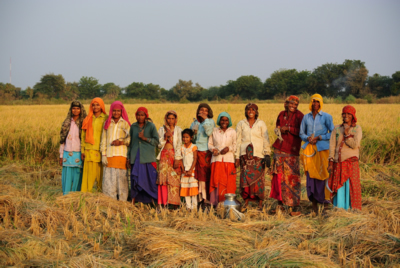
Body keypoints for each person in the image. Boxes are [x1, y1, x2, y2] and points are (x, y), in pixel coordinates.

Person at [300, 94, 334, 215]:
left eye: (318, 102)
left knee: (323, 174)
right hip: (309, 151)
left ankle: (325, 206)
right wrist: (307, 138)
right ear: (311, 103)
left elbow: (333, 133)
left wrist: (320, 137)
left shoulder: (326, 117)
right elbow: (301, 133)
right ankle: (314, 206)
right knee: (311, 176)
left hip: (322, 150)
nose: (315, 104)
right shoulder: (306, 117)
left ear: (321, 103)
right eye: (313, 101)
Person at [270, 96, 304, 216]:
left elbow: (302, 132)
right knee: (278, 178)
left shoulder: (300, 116)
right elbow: (277, 126)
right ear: (286, 104)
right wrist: (279, 129)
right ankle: (280, 204)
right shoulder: (281, 114)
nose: (293, 106)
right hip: (279, 149)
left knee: (292, 179)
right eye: (291, 103)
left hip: (291, 151)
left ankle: (294, 206)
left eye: (295, 104)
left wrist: (289, 129)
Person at [235, 103, 271, 210]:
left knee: (259, 180)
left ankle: (259, 203)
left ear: (256, 112)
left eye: (253, 109)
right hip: (245, 156)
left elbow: (265, 139)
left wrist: (267, 154)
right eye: (248, 109)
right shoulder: (241, 123)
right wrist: (236, 156)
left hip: (258, 155)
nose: (250, 111)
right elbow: (237, 140)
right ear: (245, 111)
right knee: (245, 179)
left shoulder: (261, 123)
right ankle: (246, 202)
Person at [327, 105, 362, 210]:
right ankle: (340, 208)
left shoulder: (357, 128)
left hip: (351, 162)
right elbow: (332, 145)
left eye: (348, 114)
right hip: (338, 162)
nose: (346, 116)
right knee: (338, 185)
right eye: (344, 113)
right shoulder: (337, 128)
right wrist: (331, 161)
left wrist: (347, 135)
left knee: (352, 185)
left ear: (353, 116)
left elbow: (355, 145)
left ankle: (352, 208)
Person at [127, 107, 159, 204]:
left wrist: (145, 138)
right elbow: (130, 143)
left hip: (147, 158)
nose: (140, 117)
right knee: (135, 180)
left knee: (150, 180)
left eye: (142, 115)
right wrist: (128, 158)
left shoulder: (151, 126)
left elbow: (156, 141)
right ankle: (135, 200)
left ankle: (153, 201)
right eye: (138, 115)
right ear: (136, 115)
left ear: (146, 116)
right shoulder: (133, 127)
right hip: (135, 157)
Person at [100, 101, 131, 201]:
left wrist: (121, 142)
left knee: (122, 182)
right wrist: (103, 154)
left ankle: (122, 203)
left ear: (122, 111)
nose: (116, 113)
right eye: (114, 111)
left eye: (118, 111)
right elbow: (103, 140)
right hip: (109, 156)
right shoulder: (107, 123)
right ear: (111, 111)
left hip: (121, 155)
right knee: (109, 182)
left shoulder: (125, 124)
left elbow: (130, 140)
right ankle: (110, 203)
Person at [208, 112, 237, 208]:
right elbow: (210, 144)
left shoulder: (232, 131)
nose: (224, 122)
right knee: (216, 181)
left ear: (229, 121)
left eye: (226, 120)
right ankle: (216, 204)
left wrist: (229, 148)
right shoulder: (214, 131)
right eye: (222, 120)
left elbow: (235, 144)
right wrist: (213, 150)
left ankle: (228, 204)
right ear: (219, 121)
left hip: (229, 160)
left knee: (229, 182)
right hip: (217, 160)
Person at [59, 101, 87, 195]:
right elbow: (62, 140)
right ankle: (66, 196)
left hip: (79, 153)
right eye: (73, 108)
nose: (75, 110)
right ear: (71, 110)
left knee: (77, 176)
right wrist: (61, 155)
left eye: (78, 108)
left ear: (81, 110)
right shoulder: (67, 122)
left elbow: (85, 139)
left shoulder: (84, 123)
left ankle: (76, 196)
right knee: (66, 176)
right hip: (67, 152)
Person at [190, 103, 215, 208]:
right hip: (196, 151)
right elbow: (192, 139)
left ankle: (207, 199)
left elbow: (209, 132)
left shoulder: (210, 121)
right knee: (197, 177)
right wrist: (194, 133)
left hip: (206, 152)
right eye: (201, 110)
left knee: (205, 176)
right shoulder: (195, 123)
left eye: (206, 110)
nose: (203, 112)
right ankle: (199, 198)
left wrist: (204, 121)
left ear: (208, 112)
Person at [156, 110, 183, 209]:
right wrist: (164, 138)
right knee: (163, 180)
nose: (171, 120)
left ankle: (174, 203)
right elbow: (159, 145)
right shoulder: (161, 130)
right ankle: (161, 203)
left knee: (174, 179)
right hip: (163, 156)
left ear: (175, 119)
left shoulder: (179, 130)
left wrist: (177, 158)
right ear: (166, 119)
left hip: (174, 156)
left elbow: (180, 144)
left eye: (173, 118)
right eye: (169, 118)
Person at [81, 98, 107, 192]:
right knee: (88, 175)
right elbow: (83, 135)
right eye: (93, 105)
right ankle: (86, 195)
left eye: (97, 105)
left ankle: (100, 195)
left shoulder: (106, 118)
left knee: (100, 174)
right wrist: (82, 150)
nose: (95, 107)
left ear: (102, 106)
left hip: (100, 150)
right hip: (89, 150)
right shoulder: (88, 119)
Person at [180, 129, 198, 210]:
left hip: (192, 171)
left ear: (191, 137)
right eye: (183, 137)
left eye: (187, 137)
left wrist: (191, 170)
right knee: (185, 188)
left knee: (193, 189)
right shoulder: (181, 148)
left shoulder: (193, 147)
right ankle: (188, 206)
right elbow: (180, 159)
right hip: (184, 171)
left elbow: (195, 159)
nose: (185, 139)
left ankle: (194, 207)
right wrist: (183, 169)